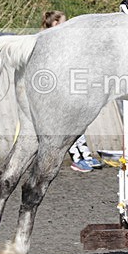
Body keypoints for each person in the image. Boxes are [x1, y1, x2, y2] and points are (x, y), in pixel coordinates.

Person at [42, 10, 103, 172]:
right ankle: (77, 158)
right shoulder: (49, 41)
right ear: (55, 24)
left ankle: (86, 155)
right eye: (64, 21)